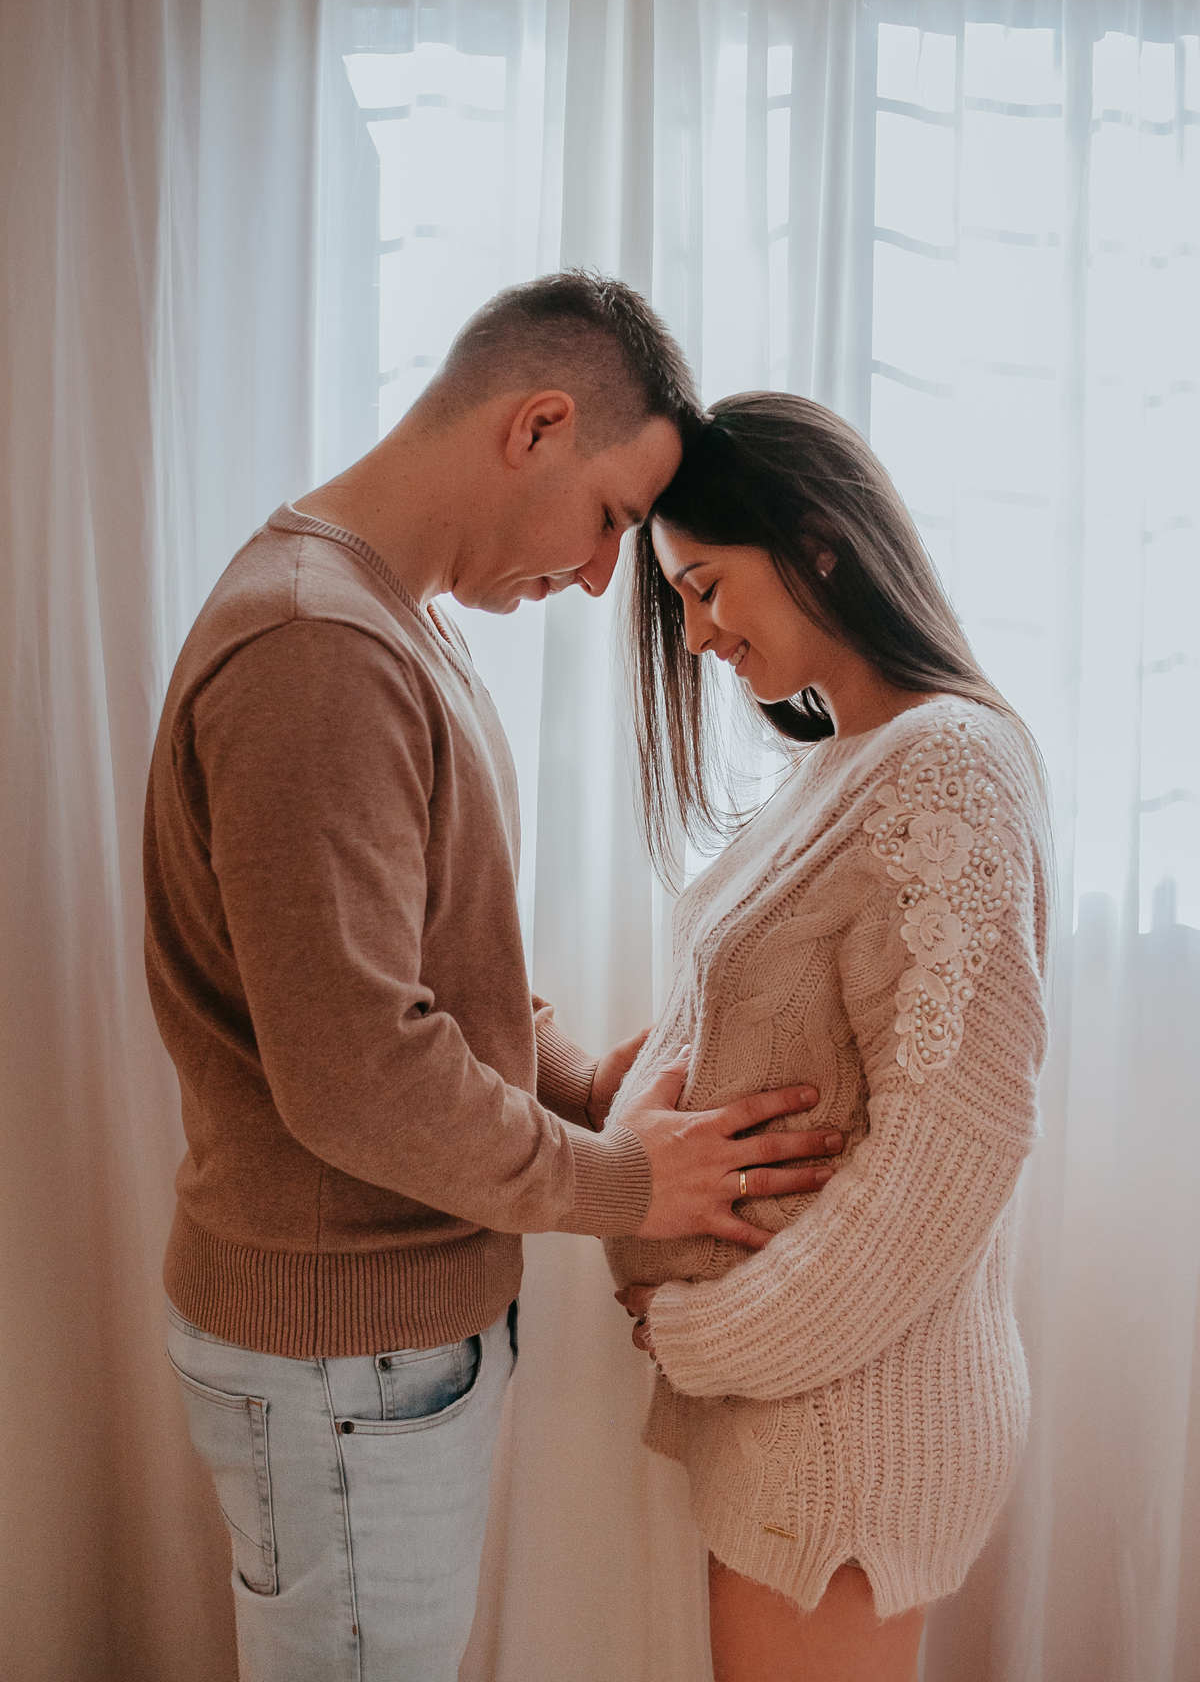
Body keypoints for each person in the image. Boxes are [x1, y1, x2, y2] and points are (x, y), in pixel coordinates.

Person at [144, 275, 842, 1682]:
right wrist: (632, 1181)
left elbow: (431, 975)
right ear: (536, 426)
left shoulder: (388, 622)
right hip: (348, 1362)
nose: (602, 580)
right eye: (611, 525)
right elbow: (359, 1074)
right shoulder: (318, 647)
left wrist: (594, 1079)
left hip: (379, 1356)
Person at [609, 392, 1051, 1682]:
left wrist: (704, 1331)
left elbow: (947, 1159)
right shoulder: (837, 760)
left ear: (817, 543)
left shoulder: (947, 766)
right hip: (791, 1399)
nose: (693, 638)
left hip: (853, 1416)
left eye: (703, 587)